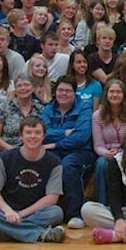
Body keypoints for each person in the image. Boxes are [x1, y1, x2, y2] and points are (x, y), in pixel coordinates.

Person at [0, 115, 65, 244]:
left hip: (34, 213)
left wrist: (21, 215)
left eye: (37, 133)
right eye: (28, 132)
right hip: (7, 212)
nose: (33, 136)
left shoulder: (54, 162)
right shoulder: (5, 157)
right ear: (21, 136)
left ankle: (2, 233)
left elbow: (52, 198)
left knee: (56, 213)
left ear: (44, 136)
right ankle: (38, 234)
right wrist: (8, 211)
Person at [41, 76, 96, 229]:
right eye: (60, 90)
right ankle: (44, 212)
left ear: (75, 93)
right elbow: (43, 133)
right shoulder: (48, 109)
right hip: (55, 150)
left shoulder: (84, 108)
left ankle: (76, 214)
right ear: (55, 92)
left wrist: (55, 143)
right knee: (44, 162)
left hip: (81, 151)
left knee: (68, 166)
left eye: (68, 90)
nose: (63, 93)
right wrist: (64, 132)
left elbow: (81, 136)